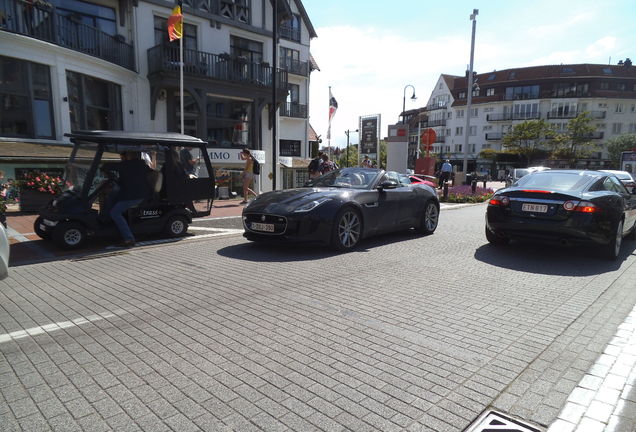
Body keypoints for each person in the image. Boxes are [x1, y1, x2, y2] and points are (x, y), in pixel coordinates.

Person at [102, 152, 152, 247]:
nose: (122, 157)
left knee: (115, 213)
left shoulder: (127, 165)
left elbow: (107, 166)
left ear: (129, 155)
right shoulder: (142, 165)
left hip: (134, 196)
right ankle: (105, 219)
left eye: (123, 156)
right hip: (136, 193)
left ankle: (129, 238)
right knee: (111, 195)